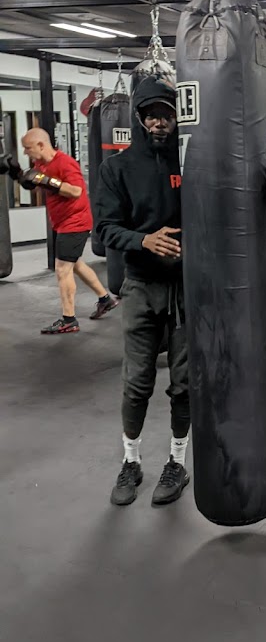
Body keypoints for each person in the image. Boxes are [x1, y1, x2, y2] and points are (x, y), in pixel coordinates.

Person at [93, 76, 190, 508]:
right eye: (150, 114)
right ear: (138, 118)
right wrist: (144, 240)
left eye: (166, 113)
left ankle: (177, 462)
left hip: (188, 288)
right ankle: (131, 462)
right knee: (137, 382)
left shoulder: (191, 165)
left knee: (185, 384)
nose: (158, 122)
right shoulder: (116, 168)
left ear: (178, 116)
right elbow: (105, 229)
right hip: (140, 286)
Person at [15, 128, 117, 333]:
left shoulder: (65, 162)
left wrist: (47, 181)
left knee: (62, 268)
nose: (26, 153)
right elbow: (34, 182)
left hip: (75, 222)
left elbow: (76, 190)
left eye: (28, 148)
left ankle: (69, 319)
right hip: (62, 222)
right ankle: (105, 299)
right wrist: (15, 173)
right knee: (75, 264)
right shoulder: (40, 164)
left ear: (41, 145)